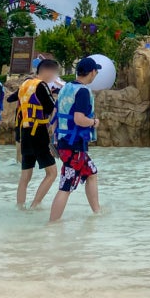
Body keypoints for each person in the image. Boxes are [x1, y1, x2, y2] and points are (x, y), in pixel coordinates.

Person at [49, 57, 101, 222]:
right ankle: (52, 224)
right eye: (96, 71)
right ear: (92, 72)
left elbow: (55, 115)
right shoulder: (83, 91)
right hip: (74, 146)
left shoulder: (66, 88)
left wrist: (55, 139)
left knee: (91, 173)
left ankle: (97, 213)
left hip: (65, 142)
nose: (96, 74)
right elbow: (79, 119)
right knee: (66, 186)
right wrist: (93, 122)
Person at [14, 58, 59, 209]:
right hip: (39, 133)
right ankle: (35, 205)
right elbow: (51, 108)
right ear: (47, 71)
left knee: (25, 176)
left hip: (25, 133)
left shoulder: (25, 84)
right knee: (52, 173)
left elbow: (10, 98)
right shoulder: (42, 85)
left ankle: (20, 207)